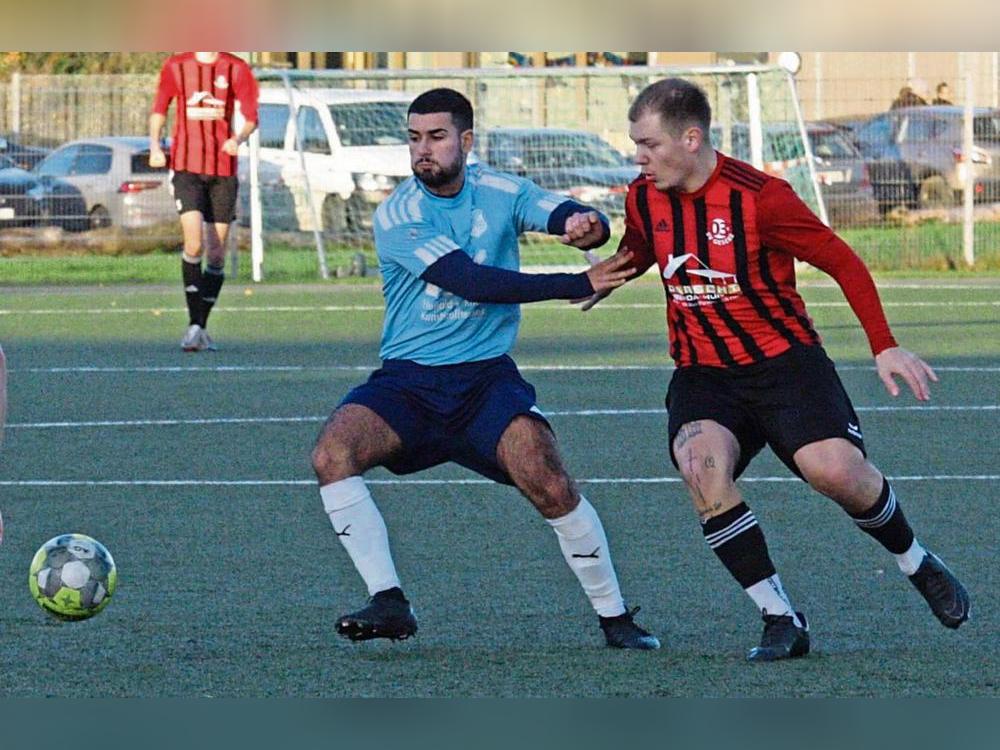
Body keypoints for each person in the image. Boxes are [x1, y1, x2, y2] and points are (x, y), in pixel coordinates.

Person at [584, 78, 970, 662]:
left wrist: (884, 345)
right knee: (700, 466)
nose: (639, 156)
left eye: (649, 144)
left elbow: (842, 261)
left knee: (836, 473)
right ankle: (780, 617)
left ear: (691, 139)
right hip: (704, 372)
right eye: (635, 144)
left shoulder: (761, 197)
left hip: (785, 365)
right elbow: (643, 249)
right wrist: (601, 275)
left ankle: (916, 561)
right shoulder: (644, 195)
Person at [310, 88, 659, 650]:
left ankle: (616, 619)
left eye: (437, 136)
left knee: (550, 482)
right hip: (410, 383)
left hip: (485, 382)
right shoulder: (398, 215)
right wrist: (577, 282)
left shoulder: (500, 189)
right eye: (414, 138)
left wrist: (586, 225)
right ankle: (390, 601)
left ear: (466, 142)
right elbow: (471, 282)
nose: (423, 150)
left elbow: (560, 212)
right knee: (332, 454)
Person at [148, 52, 259, 352]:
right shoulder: (176, 66)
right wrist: (155, 145)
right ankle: (194, 325)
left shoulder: (236, 68)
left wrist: (239, 138)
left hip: (223, 172)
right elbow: (160, 108)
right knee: (194, 244)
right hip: (186, 169)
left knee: (217, 253)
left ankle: (200, 325)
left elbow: (250, 117)